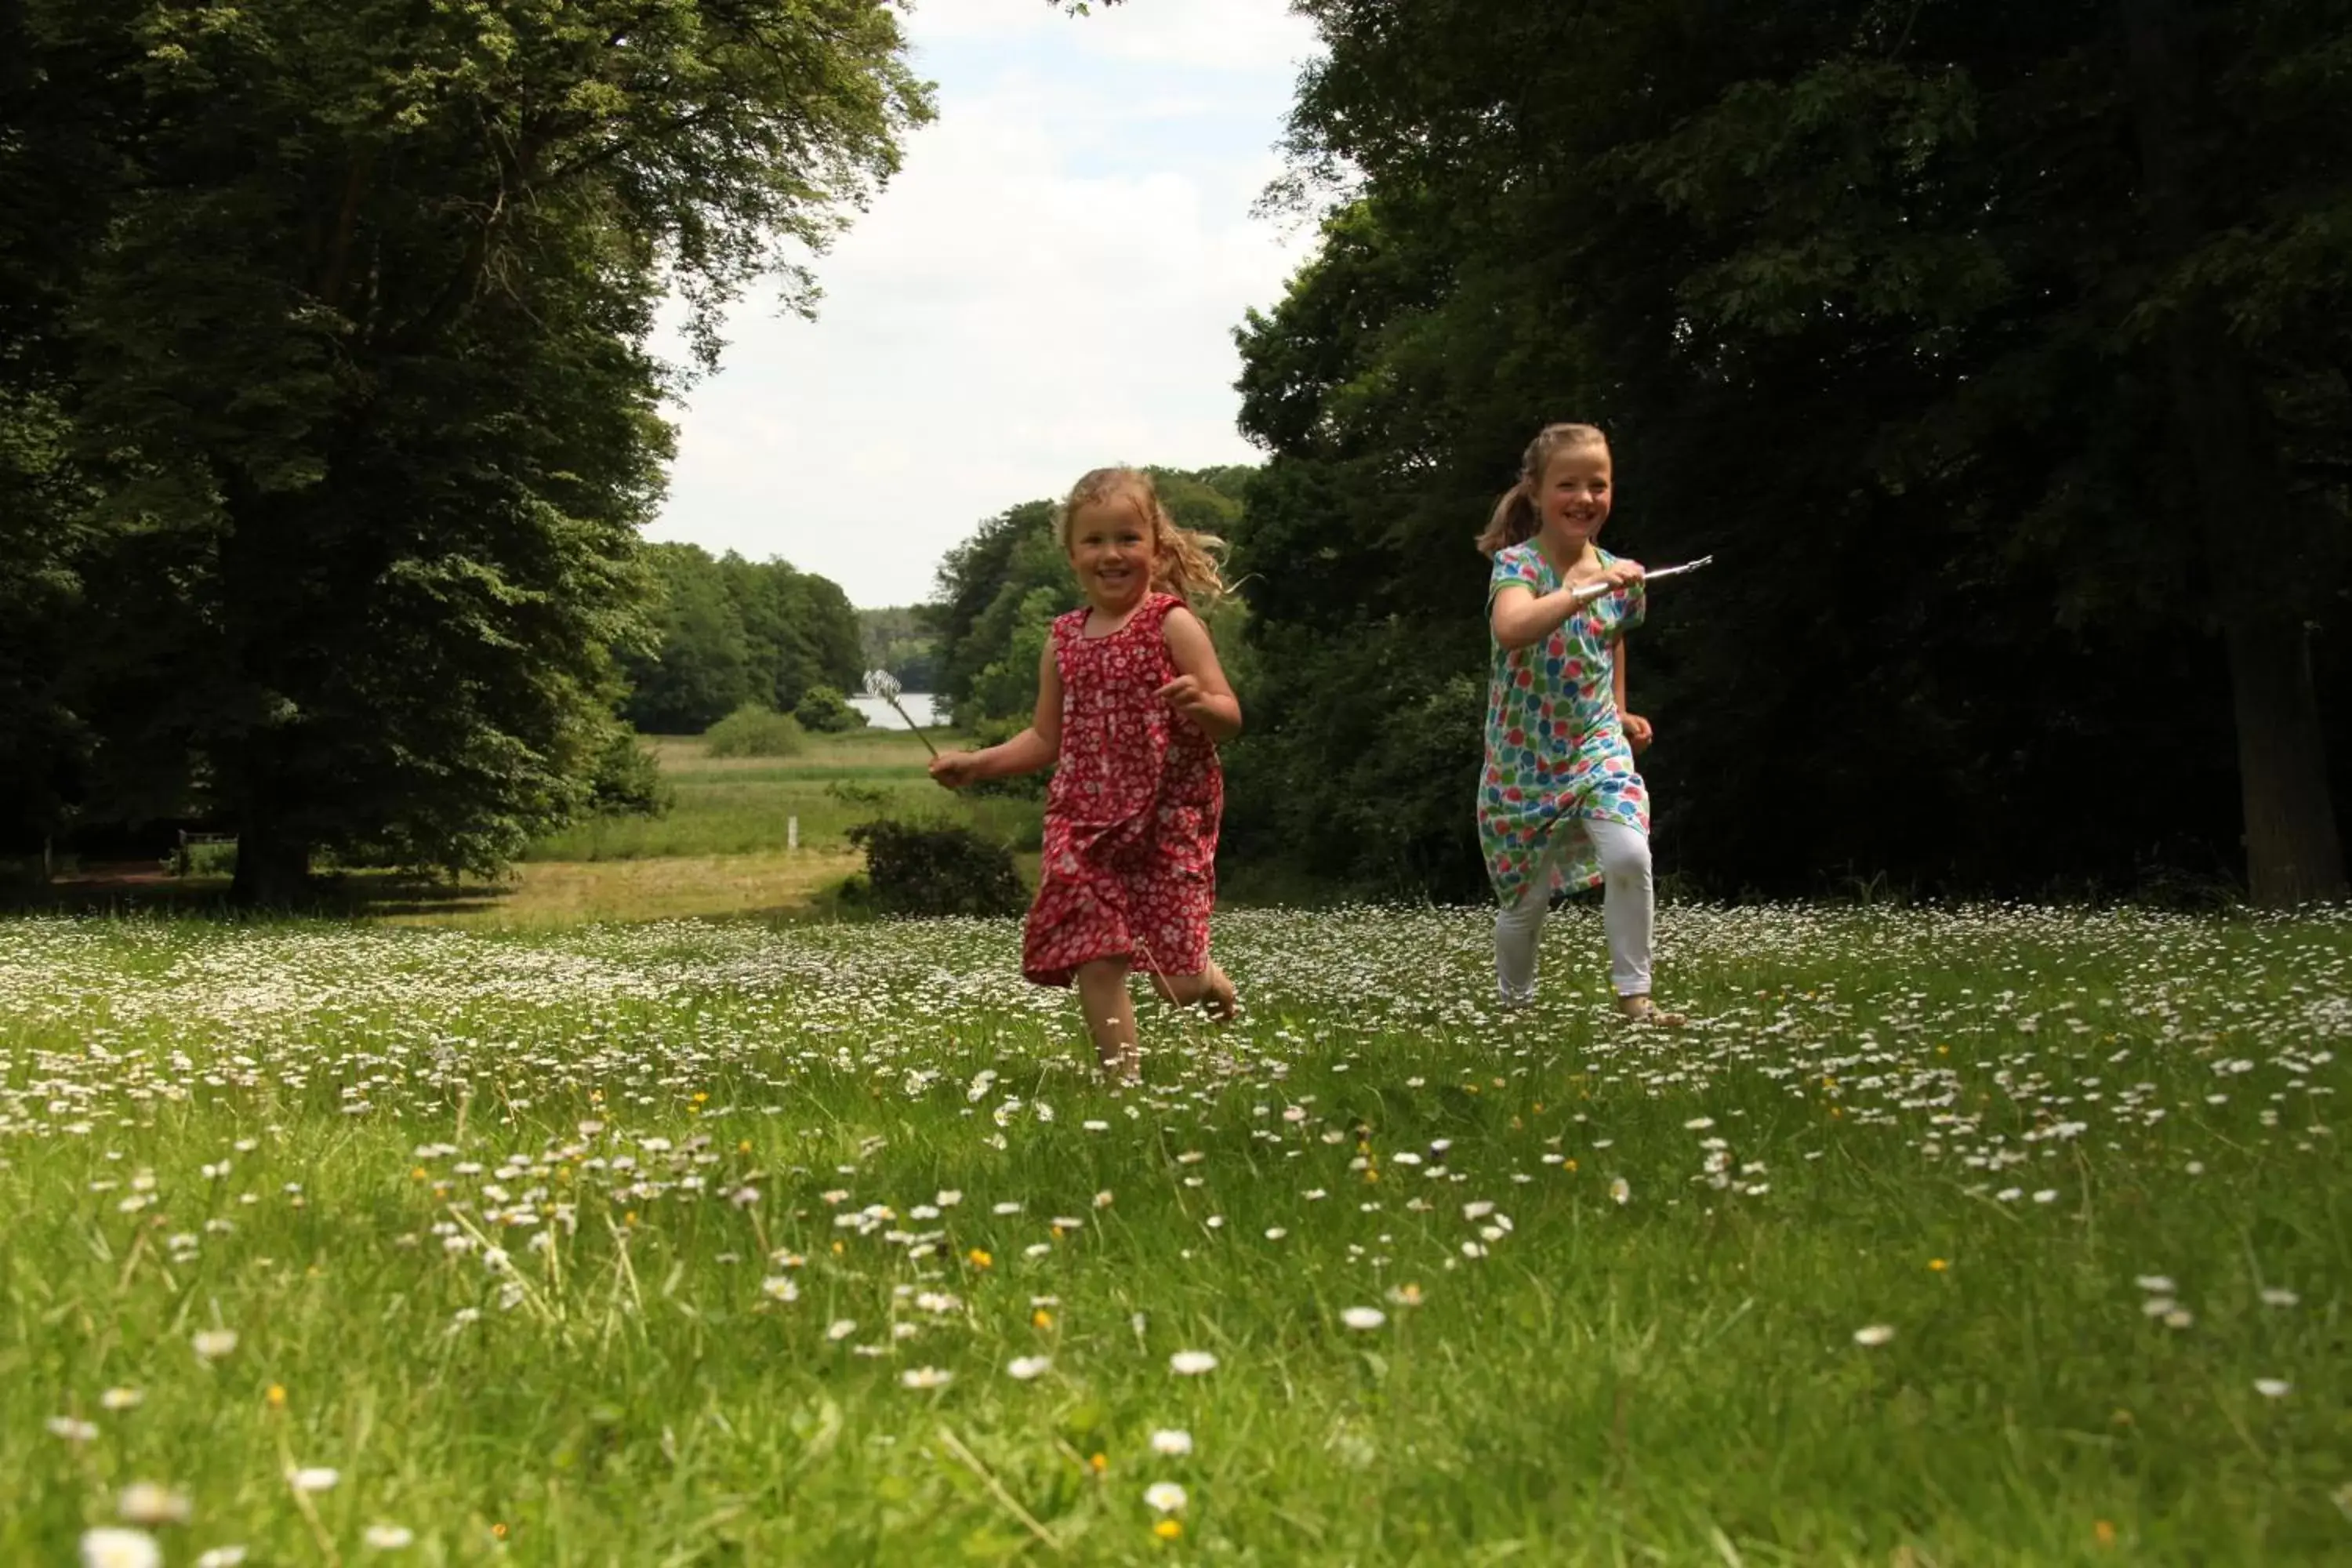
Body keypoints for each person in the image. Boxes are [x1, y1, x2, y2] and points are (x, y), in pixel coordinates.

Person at [930, 466, 1242, 1080]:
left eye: (1127, 538)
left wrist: (1201, 705)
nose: (1111, 554)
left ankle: (1208, 981)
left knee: (1174, 983)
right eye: (1094, 541)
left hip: (1165, 815)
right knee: (1097, 957)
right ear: (1072, 554)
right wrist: (979, 764)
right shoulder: (1064, 640)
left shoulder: (1172, 623)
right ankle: (1121, 1087)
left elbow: (1229, 716)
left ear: (1155, 543)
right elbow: (1046, 736)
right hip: (1084, 821)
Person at [1479, 423, 1684, 1025]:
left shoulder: (1622, 576)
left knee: (1630, 856)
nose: (1585, 497)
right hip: (1522, 759)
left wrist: (1619, 712)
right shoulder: (1517, 566)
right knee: (1525, 904)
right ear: (1536, 493)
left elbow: (1611, 641)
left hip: (1595, 747)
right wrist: (1580, 589)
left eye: (1599, 484)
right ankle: (1515, 1010)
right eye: (1568, 484)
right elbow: (1513, 629)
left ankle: (1635, 1000)